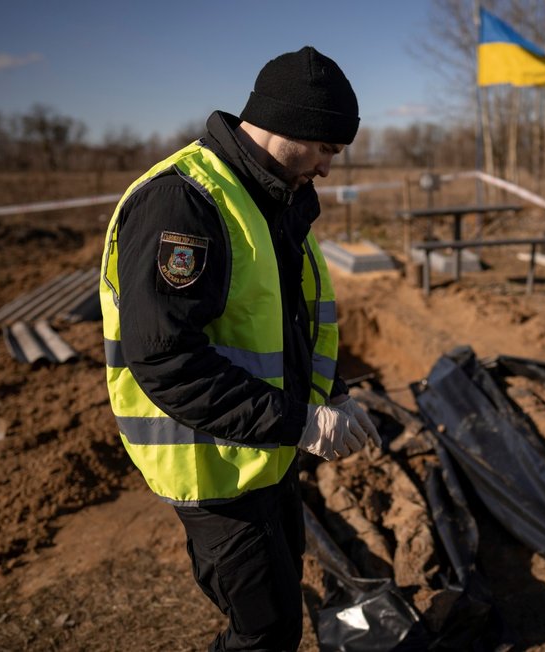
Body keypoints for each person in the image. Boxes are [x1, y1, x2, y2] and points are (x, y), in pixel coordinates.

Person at [99, 45, 381, 651]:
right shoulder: (184, 203)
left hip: (265, 453)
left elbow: (290, 323)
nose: (329, 170)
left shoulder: (268, 198)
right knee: (264, 633)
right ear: (290, 127)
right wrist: (301, 422)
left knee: (276, 620)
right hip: (214, 469)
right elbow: (168, 362)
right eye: (327, 149)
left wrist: (336, 395)